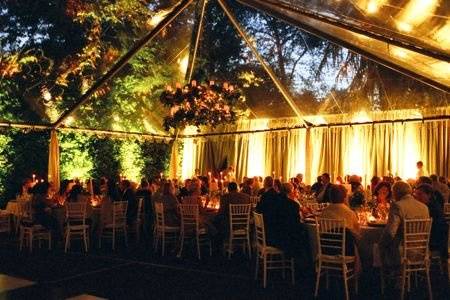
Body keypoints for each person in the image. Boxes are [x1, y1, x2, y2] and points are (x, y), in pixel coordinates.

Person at [379, 181, 429, 272]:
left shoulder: (398, 206)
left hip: (403, 251)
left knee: (378, 246)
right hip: (421, 250)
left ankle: (387, 277)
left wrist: (381, 244)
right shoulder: (424, 207)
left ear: (396, 193)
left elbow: (390, 232)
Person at [414, 184, 449, 275]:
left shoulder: (430, 208)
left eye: (420, 194)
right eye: (416, 194)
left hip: (435, 241)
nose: (417, 197)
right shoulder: (433, 204)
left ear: (429, 195)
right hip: (440, 239)